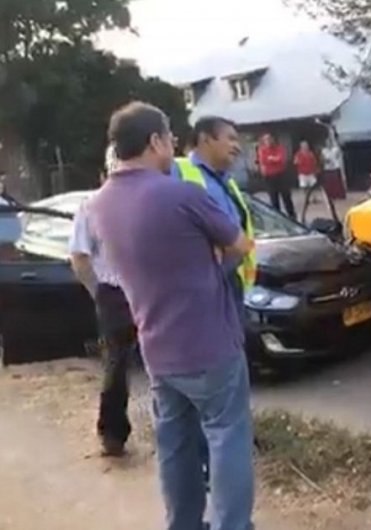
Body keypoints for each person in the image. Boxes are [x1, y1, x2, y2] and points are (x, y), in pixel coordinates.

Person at [90, 101, 255, 530]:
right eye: (169, 138)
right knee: (227, 440)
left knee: (175, 447)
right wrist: (213, 263)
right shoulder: (181, 193)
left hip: (157, 349)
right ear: (155, 141)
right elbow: (240, 243)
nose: (173, 147)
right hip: (210, 345)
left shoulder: (101, 203)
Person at [69, 144, 137, 458]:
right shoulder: (93, 205)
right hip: (125, 291)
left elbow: (80, 258)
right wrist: (99, 293)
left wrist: (99, 293)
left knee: (118, 363)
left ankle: (113, 435)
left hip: (122, 291)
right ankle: (112, 432)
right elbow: (80, 258)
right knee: (121, 364)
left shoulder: (92, 205)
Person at [173, 116, 257, 305]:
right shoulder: (176, 170)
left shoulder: (228, 181)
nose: (238, 147)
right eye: (231, 139)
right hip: (201, 286)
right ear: (206, 139)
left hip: (232, 282)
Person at [257, 133, 296, 219]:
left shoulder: (280, 148)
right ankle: (277, 218)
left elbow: (282, 159)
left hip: (281, 175)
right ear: (263, 142)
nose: (268, 141)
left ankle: (292, 216)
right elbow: (263, 161)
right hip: (269, 177)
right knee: (274, 199)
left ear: (273, 139)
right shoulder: (262, 150)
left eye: (269, 139)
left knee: (286, 196)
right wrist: (274, 159)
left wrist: (271, 159)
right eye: (266, 140)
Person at [294, 140, 321, 217]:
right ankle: (306, 199)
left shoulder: (310, 153)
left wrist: (316, 169)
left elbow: (314, 162)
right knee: (304, 187)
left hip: (311, 172)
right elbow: (295, 162)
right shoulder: (298, 154)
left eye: (306, 145)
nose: (305, 147)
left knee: (313, 186)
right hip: (302, 173)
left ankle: (314, 198)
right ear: (301, 146)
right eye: (304, 145)